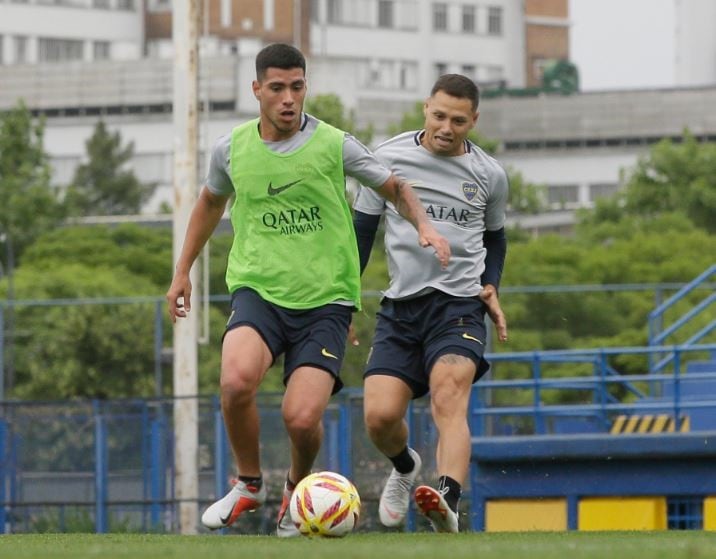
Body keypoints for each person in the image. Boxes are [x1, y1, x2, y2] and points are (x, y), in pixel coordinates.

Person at [165, 43, 450, 536]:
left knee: (301, 420)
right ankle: (250, 484)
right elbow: (210, 203)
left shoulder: (334, 145)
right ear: (256, 90)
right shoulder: (232, 149)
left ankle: (296, 490)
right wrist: (182, 270)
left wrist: (424, 225)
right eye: (277, 88)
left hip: (325, 301)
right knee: (234, 381)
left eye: (297, 87)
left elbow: (396, 187)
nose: (288, 98)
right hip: (259, 290)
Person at [353, 74, 509, 533]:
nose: (446, 127)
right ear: (426, 109)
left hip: (459, 305)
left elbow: (496, 239)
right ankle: (404, 467)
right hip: (400, 307)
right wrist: (342, 297)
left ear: (473, 120)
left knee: (448, 396)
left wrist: (491, 285)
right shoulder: (387, 159)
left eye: (458, 120)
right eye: (439, 115)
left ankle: (447, 500)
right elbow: (362, 231)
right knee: (380, 417)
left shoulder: (490, 175)